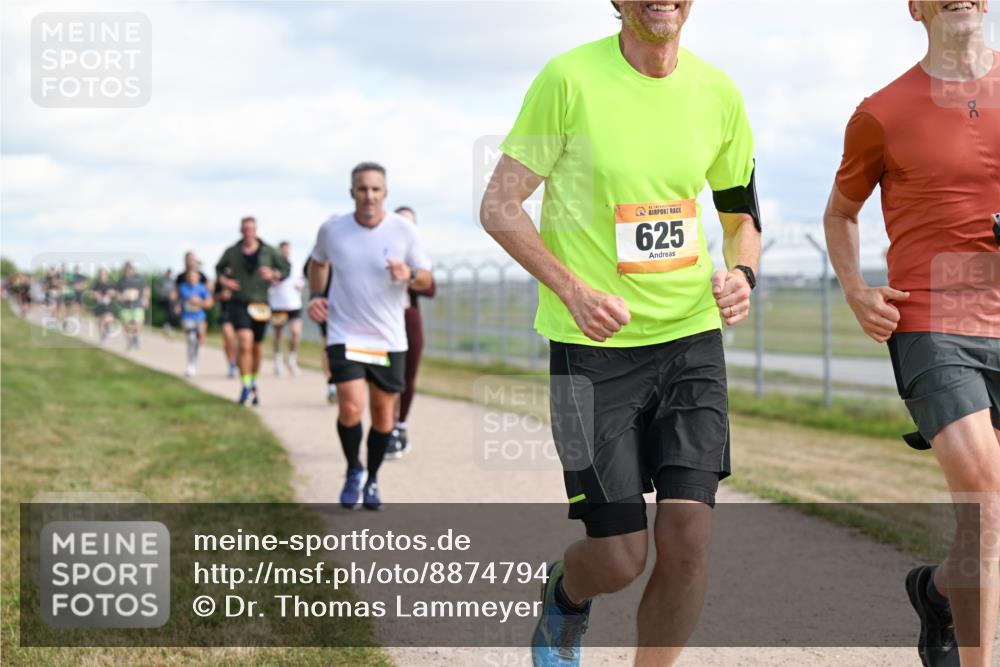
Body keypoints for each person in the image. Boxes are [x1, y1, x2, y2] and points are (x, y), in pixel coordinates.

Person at [480, 2, 761, 665]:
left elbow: (740, 214)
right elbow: (499, 205)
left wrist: (744, 271)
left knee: (689, 537)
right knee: (618, 555)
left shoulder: (718, 92)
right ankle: (564, 597)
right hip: (593, 353)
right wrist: (572, 289)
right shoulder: (569, 80)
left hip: (691, 340)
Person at [823, 3, 999, 666]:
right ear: (915, 7)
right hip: (931, 323)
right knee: (986, 502)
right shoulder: (883, 112)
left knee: (989, 514)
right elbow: (842, 212)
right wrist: (858, 290)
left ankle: (937, 591)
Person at [307, 162, 433, 511]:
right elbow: (317, 263)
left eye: (376, 189)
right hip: (345, 332)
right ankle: (353, 470)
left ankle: (373, 478)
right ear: (352, 193)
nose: (369, 196)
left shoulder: (404, 231)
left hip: (389, 338)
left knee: (383, 417)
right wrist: (317, 297)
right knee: (350, 406)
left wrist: (408, 274)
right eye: (362, 189)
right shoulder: (332, 230)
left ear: (385, 193)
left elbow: (425, 278)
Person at [215, 216, 290, 406]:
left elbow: (286, 268)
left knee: (257, 347)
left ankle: (254, 381)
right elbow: (218, 269)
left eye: (251, 229)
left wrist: (274, 274)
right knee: (245, 343)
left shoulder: (268, 251)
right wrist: (226, 281)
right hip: (239, 302)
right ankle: (246, 384)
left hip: (261, 304)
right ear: (241, 231)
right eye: (245, 229)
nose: (248, 232)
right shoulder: (232, 251)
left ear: (256, 231)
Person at [386, 206, 436, 460]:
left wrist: (411, 275)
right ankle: (384, 425)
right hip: (381, 322)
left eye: (412, 223)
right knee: (385, 377)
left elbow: (431, 289)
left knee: (408, 374)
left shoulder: (418, 255)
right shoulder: (381, 249)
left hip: (408, 317)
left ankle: (399, 426)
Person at [304, 256, 338, 403]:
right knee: (328, 344)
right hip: (326, 304)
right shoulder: (325, 242)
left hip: (353, 307)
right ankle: (332, 384)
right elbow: (309, 269)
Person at [268, 241, 305, 377]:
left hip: (294, 304)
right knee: (278, 334)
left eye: (287, 250)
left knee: (296, 332)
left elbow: (301, 279)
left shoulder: (296, 263)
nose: (285, 252)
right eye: (283, 250)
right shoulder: (273, 265)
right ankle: (277, 360)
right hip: (278, 305)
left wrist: (300, 285)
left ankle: (292, 360)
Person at [177, 268, 214, 376]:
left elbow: (209, 302)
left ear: (198, 277)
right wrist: (202, 302)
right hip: (187, 317)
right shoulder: (184, 287)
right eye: (190, 276)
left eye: (194, 276)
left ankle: (194, 363)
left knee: (197, 342)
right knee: (191, 339)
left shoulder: (202, 288)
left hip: (200, 318)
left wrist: (201, 302)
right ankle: (190, 364)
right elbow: (191, 299)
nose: (192, 278)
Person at [116, 261, 149, 350]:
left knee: (138, 323)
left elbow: (146, 289)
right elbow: (117, 293)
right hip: (125, 306)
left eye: (130, 269)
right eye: (126, 269)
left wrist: (146, 299)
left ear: (132, 270)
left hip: (137, 304)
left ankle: (135, 336)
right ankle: (130, 342)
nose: (128, 271)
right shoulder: (121, 280)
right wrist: (120, 297)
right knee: (126, 326)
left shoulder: (139, 279)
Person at [89, 267, 117, 343]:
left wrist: (111, 293)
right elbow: (90, 295)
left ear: (107, 274)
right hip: (98, 305)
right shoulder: (96, 284)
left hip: (108, 305)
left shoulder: (111, 283)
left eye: (104, 274)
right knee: (100, 321)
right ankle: (102, 335)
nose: (102, 275)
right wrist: (95, 295)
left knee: (109, 318)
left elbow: (115, 294)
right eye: (101, 274)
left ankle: (107, 329)